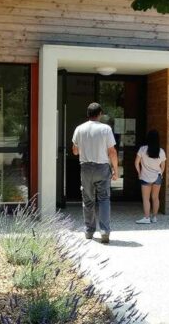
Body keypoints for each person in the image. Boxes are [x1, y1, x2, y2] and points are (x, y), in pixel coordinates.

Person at [72, 102, 119, 244]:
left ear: (88, 114)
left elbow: (74, 151)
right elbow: (112, 151)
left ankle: (89, 230)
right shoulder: (106, 129)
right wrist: (116, 170)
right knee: (104, 199)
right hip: (102, 167)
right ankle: (104, 231)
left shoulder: (79, 129)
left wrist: (86, 149)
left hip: (86, 168)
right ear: (100, 114)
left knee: (88, 200)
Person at [134, 129, 166, 224]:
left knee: (146, 198)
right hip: (157, 176)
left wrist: (139, 173)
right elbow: (163, 166)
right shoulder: (161, 151)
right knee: (155, 197)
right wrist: (161, 173)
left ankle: (146, 218)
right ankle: (154, 217)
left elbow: (136, 163)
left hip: (145, 177)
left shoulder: (143, 149)